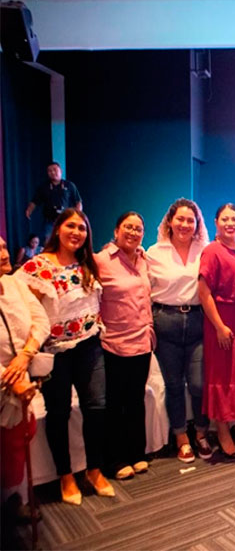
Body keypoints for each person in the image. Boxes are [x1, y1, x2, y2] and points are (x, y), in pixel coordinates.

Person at [16, 209, 113, 505]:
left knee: (96, 408)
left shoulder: (88, 264)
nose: (77, 232)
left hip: (89, 344)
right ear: (58, 229)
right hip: (55, 352)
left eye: (82, 228)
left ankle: (94, 469)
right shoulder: (37, 267)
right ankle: (65, 475)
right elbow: (21, 308)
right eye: (71, 226)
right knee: (59, 414)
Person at [147, 198, 212, 463]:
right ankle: (181, 437)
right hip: (166, 321)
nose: (185, 224)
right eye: (180, 219)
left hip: (197, 320)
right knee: (174, 385)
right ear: (170, 221)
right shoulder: (153, 252)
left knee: (198, 384)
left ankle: (201, 432)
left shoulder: (204, 249)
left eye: (190, 220)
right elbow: (143, 290)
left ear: (197, 224)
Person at [94, 212, 155, 480]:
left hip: (141, 340)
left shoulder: (143, 260)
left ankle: (136, 452)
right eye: (128, 227)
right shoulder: (100, 261)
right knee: (115, 403)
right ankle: (114, 459)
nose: (133, 232)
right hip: (114, 343)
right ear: (116, 230)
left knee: (135, 400)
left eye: (138, 228)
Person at [197, 203, 235, 459]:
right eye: (225, 219)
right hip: (221, 321)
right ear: (215, 222)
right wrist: (220, 327)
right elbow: (204, 292)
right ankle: (222, 430)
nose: (230, 223)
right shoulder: (211, 251)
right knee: (222, 377)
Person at [0, 236, 49, 520]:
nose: (4, 254)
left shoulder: (16, 283)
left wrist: (26, 355)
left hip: (22, 374)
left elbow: (40, 321)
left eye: (4, 247)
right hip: (7, 380)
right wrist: (9, 376)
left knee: (19, 437)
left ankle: (13, 499)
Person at [25, 162, 82, 239]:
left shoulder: (70, 185)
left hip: (66, 219)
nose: (52, 172)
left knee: (67, 239)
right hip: (50, 220)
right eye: (49, 171)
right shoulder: (43, 187)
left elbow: (78, 202)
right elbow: (35, 201)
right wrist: (29, 210)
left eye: (55, 170)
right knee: (49, 241)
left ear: (61, 171)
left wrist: (78, 214)